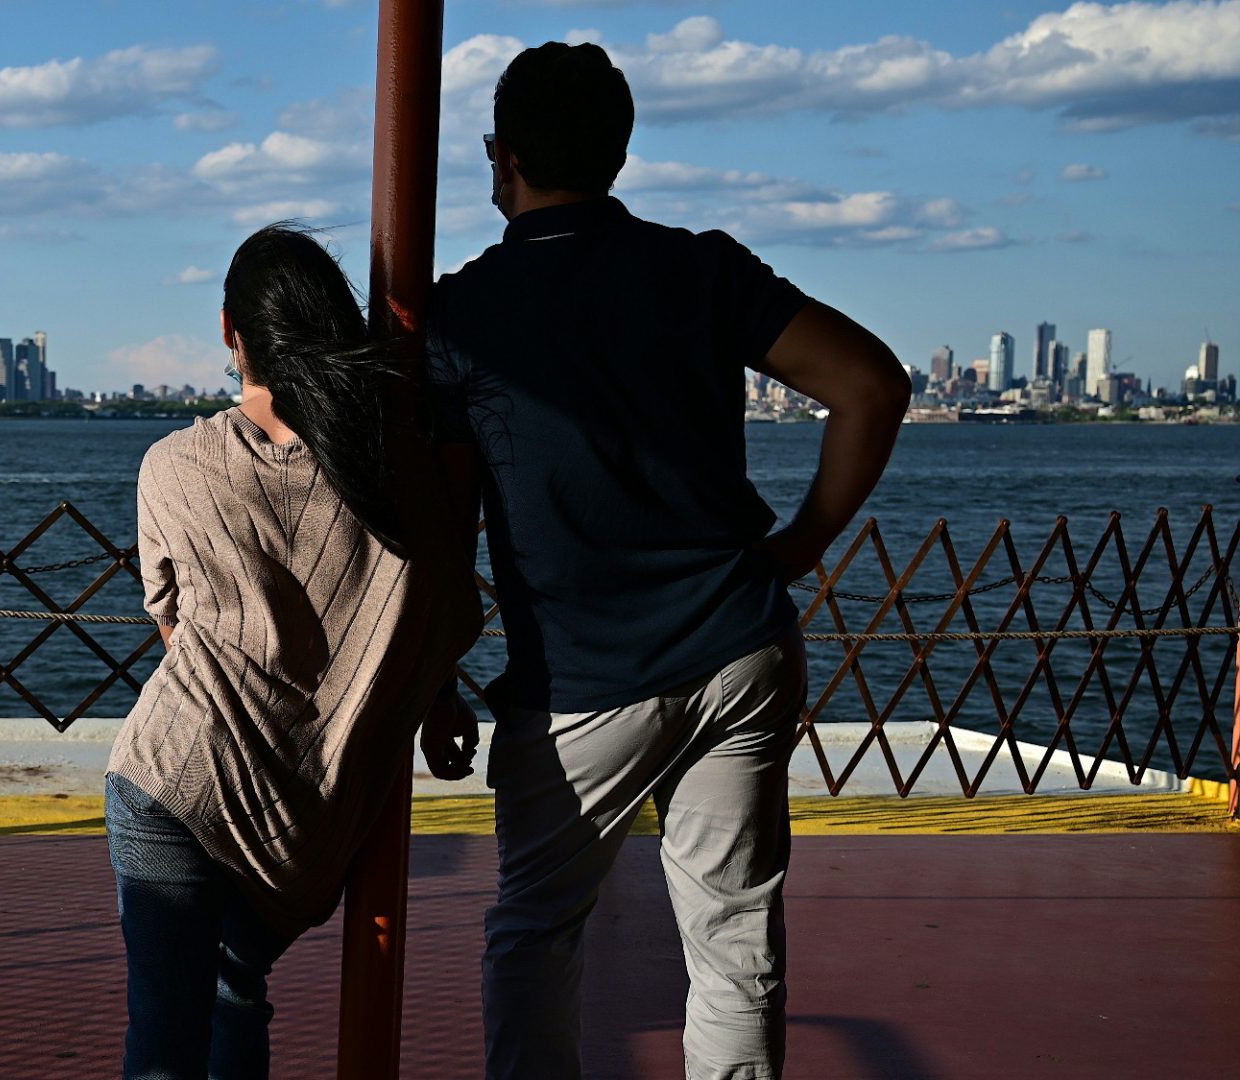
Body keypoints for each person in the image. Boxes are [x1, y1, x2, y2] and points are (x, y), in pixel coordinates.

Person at [421, 42, 912, 1080]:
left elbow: (447, 531)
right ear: (622, 152)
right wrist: (797, 548)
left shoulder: (463, 312)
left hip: (578, 689)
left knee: (535, 931)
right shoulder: (701, 269)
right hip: (739, 649)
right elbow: (870, 384)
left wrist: (433, 685)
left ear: (497, 155)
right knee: (734, 943)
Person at [105, 223, 482, 1080]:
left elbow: (174, 633)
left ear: (231, 331)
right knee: (235, 997)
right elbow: (435, 609)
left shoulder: (175, 465)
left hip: (172, 778)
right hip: (307, 814)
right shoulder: (394, 468)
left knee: (163, 1038)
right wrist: (440, 697)